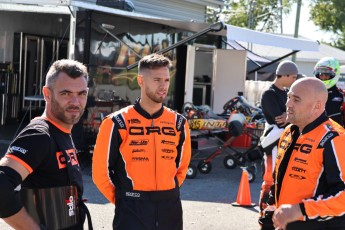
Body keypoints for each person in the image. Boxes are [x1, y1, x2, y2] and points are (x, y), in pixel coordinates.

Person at [92, 53, 191, 230]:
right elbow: (100, 173)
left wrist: (167, 191)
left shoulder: (179, 123)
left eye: (167, 80)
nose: (163, 86)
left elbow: (182, 167)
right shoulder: (116, 122)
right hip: (131, 207)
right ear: (140, 81)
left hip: (170, 206)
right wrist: (124, 199)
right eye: (157, 80)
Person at [0, 59, 92, 229]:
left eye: (81, 93)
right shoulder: (39, 135)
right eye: (66, 93)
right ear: (47, 94)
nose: (75, 102)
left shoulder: (62, 131)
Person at [263, 77, 345, 229]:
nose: (288, 104)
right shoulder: (289, 132)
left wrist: (300, 210)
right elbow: (278, 180)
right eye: (288, 97)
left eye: (296, 100)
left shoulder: (334, 138)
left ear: (317, 106)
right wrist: (270, 213)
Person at [258, 60, 298, 227]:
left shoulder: (286, 92)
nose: (295, 80)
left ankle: (277, 216)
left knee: (282, 180)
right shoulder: (269, 93)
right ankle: (264, 216)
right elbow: (280, 121)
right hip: (272, 142)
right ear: (285, 75)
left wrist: (288, 116)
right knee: (270, 180)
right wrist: (290, 116)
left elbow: (288, 117)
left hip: (285, 141)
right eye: (293, 77)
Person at [313, 56, 344, 126]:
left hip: (336, 134)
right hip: (314, 133)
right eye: (321, 74)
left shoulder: (342, 95)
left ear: (334, 74)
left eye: (327, 74)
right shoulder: (311, 93)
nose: (323, 77)